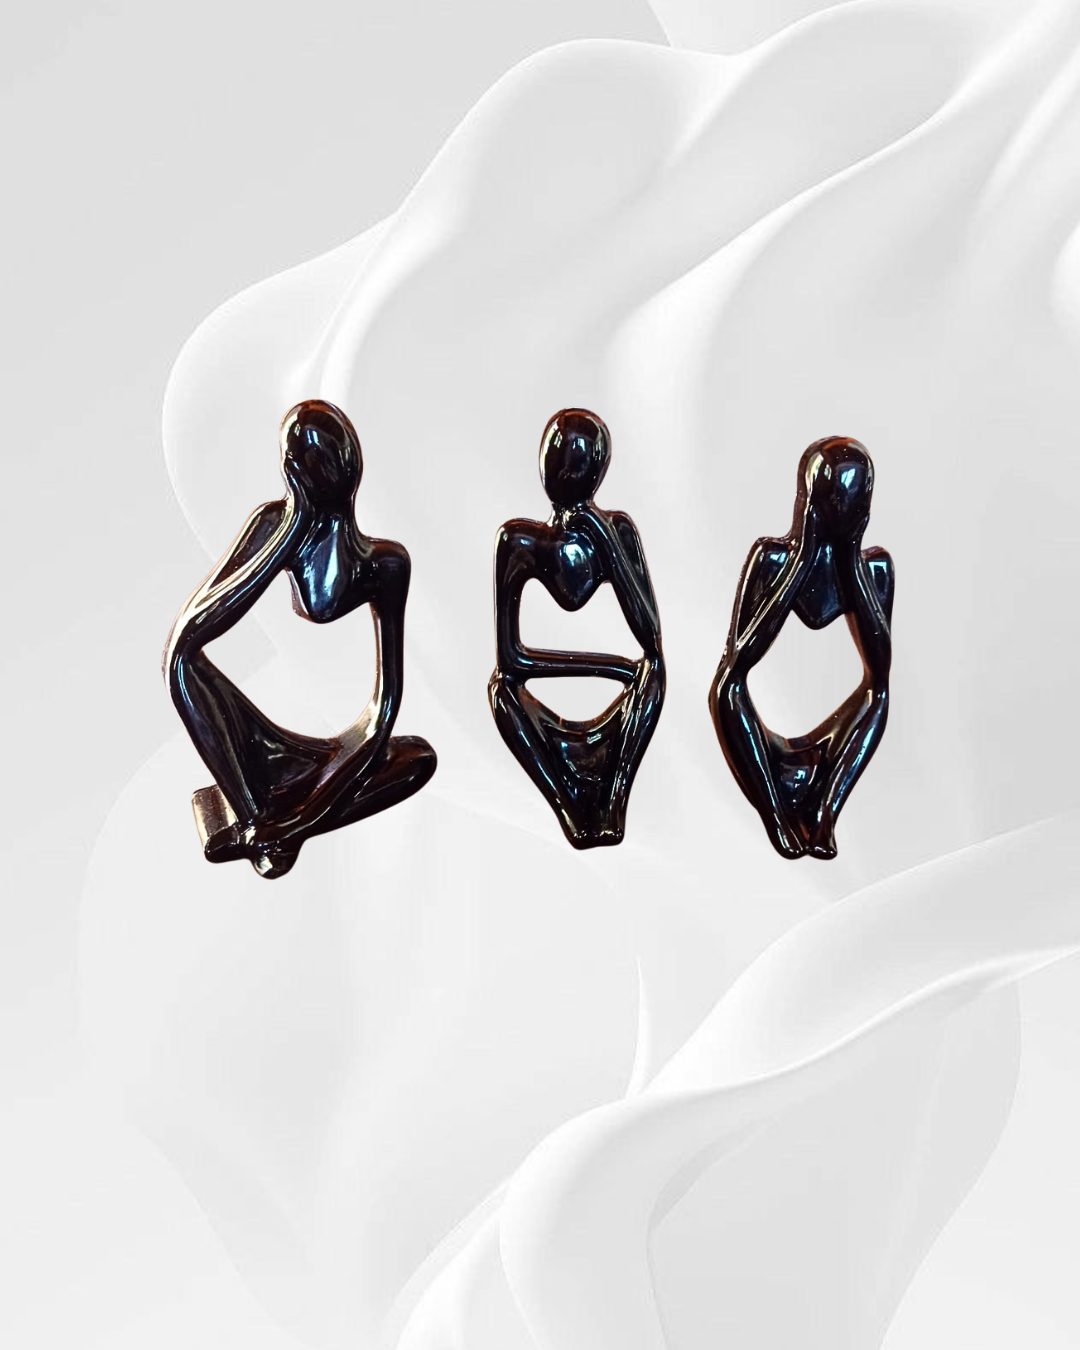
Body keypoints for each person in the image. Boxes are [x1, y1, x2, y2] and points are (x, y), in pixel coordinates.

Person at [164, 400, 436, 877]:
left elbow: (383, 710)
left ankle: (271, 829)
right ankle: (255, 816)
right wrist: (290, 531)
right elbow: (190, 637)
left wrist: (302, 816)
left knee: (418, 759)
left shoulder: (385, 564)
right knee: (181, 667)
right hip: (266, 755)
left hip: (341, 761)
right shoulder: (272, 526)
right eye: (304, 463)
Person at [710, 436, 893, 860]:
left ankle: (825, 814)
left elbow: (880, 671)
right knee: (724, 690)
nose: (842, 509)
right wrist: (803, 558)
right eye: (832, 499)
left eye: (854, 501)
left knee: (879, 696)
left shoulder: (874, 568)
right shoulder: (771, 559)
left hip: (829, 750)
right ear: (808, 500)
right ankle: (776, 816)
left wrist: (850, 559)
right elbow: (738, 661)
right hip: (760, 749)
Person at [489, 409, 665, 847]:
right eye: (558, 458)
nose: (566, 471)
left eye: (577, 462)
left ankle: (614, 797)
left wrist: (606, 542)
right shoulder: (519, 540)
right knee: (501, 691)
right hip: (549, 707)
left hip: (621, 706)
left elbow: (650, 641)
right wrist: (612, 668)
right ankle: (568, 803)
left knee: (655, 675)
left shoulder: (618, 530)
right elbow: (511, 661)